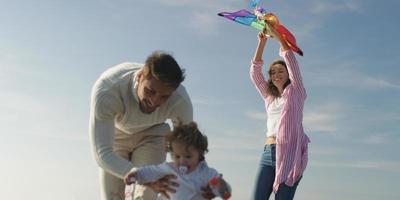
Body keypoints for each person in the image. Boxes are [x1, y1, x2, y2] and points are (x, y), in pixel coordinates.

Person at [89, 51, 195, 200]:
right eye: (150, 91)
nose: (154, 101)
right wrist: (142, 175)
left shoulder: (180, 102)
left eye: (164, 96)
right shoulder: (108, 90)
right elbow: (102, 154)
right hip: (116, 136)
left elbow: (186, 148)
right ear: (140, 77)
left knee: (145, 195)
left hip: (153, 136)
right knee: (112, 197)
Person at [249, 27, 310, 200]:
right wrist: (262, 42)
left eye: (281, 71)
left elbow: (290, 60)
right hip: (268, 152)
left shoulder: (296, 91)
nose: (276, 74)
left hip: (289, 155)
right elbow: (255, 73)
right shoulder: (269, 97)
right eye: (273, 72)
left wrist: (279, 37)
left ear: (288, 75)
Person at [124, 122, 232, 200]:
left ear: (200, 154)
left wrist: (222, 188)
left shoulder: (207, 173)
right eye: (177, 156)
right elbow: (150, 171)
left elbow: (220, 189)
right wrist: (136, 174)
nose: (182, 161)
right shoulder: (169, 168)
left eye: (188, 157)